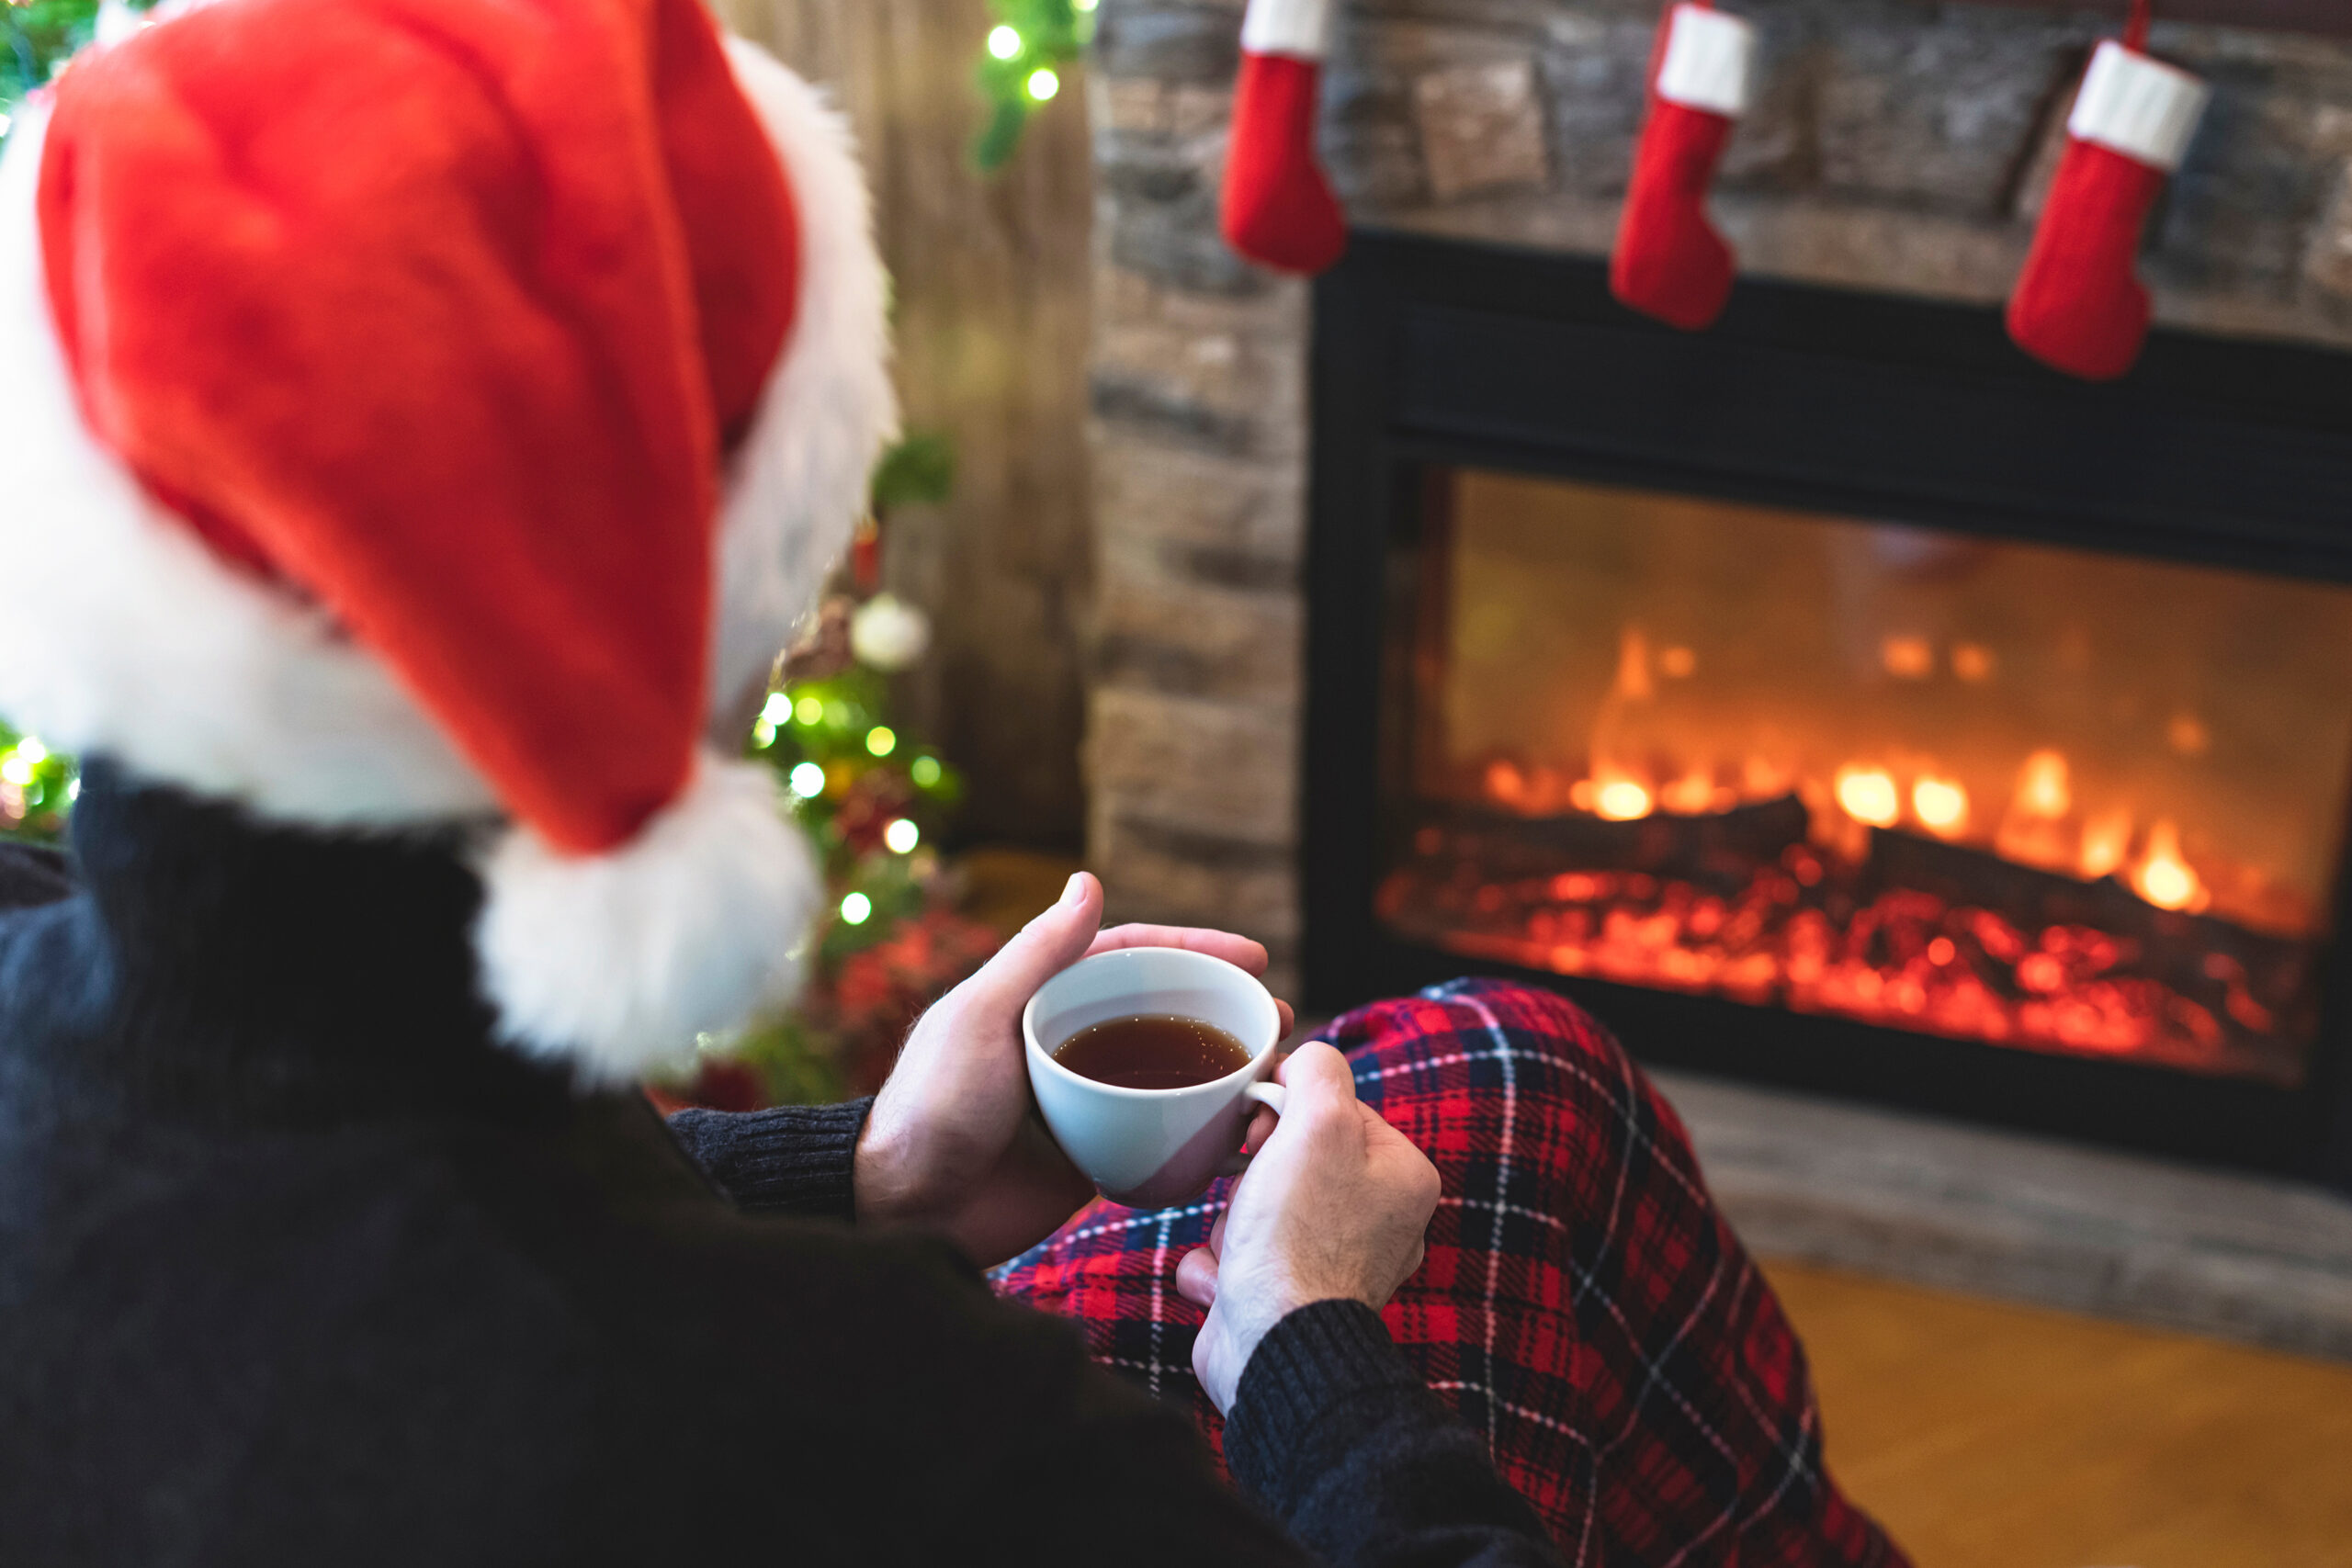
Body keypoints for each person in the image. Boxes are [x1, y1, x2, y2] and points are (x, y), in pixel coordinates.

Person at [0, 1, 1902, 1563]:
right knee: (1507, 1102)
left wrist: (866, 1170)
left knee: (1507, 1072)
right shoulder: (851, 1416)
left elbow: (358, 1153)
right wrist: (1307, 1345)